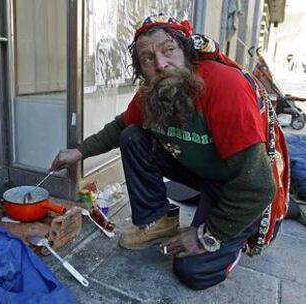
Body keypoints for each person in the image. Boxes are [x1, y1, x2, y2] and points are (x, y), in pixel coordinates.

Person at [50, 14, 290, 290]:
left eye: (169, 50)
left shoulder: (225, 86)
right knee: (133, 137)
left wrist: (206, 235)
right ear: (141, 68)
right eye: (148, 58)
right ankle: (158, 221)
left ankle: (232, 244)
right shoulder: (151, 93)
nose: (161, 64)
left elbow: (258, 186)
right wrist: (78, 152)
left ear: (187, 53)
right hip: (201, 173)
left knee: (193, 271)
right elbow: (119, 128)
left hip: (236, 187)